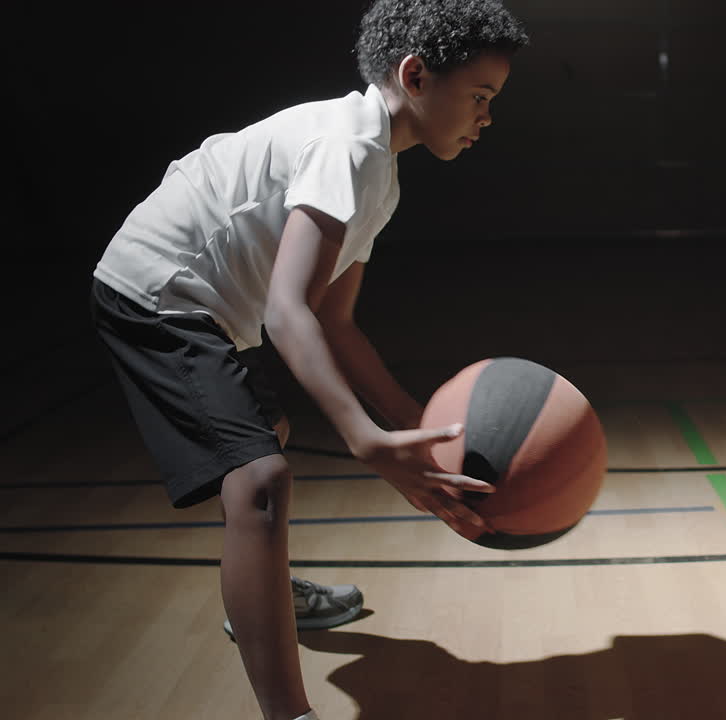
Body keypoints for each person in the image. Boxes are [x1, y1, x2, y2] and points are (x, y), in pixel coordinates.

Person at [88, 2, 529, 718]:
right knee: (260, 477)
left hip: (207, 302)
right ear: (415, 76)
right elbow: (289, 311)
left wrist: (421, 432)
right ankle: (288, 712)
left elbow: (336, 321)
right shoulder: (348, 148)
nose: (486, 117)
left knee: (267, 448)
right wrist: (366, 441)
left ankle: (259, 592)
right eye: (479, 97)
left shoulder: (379, 170)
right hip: (156, 290)